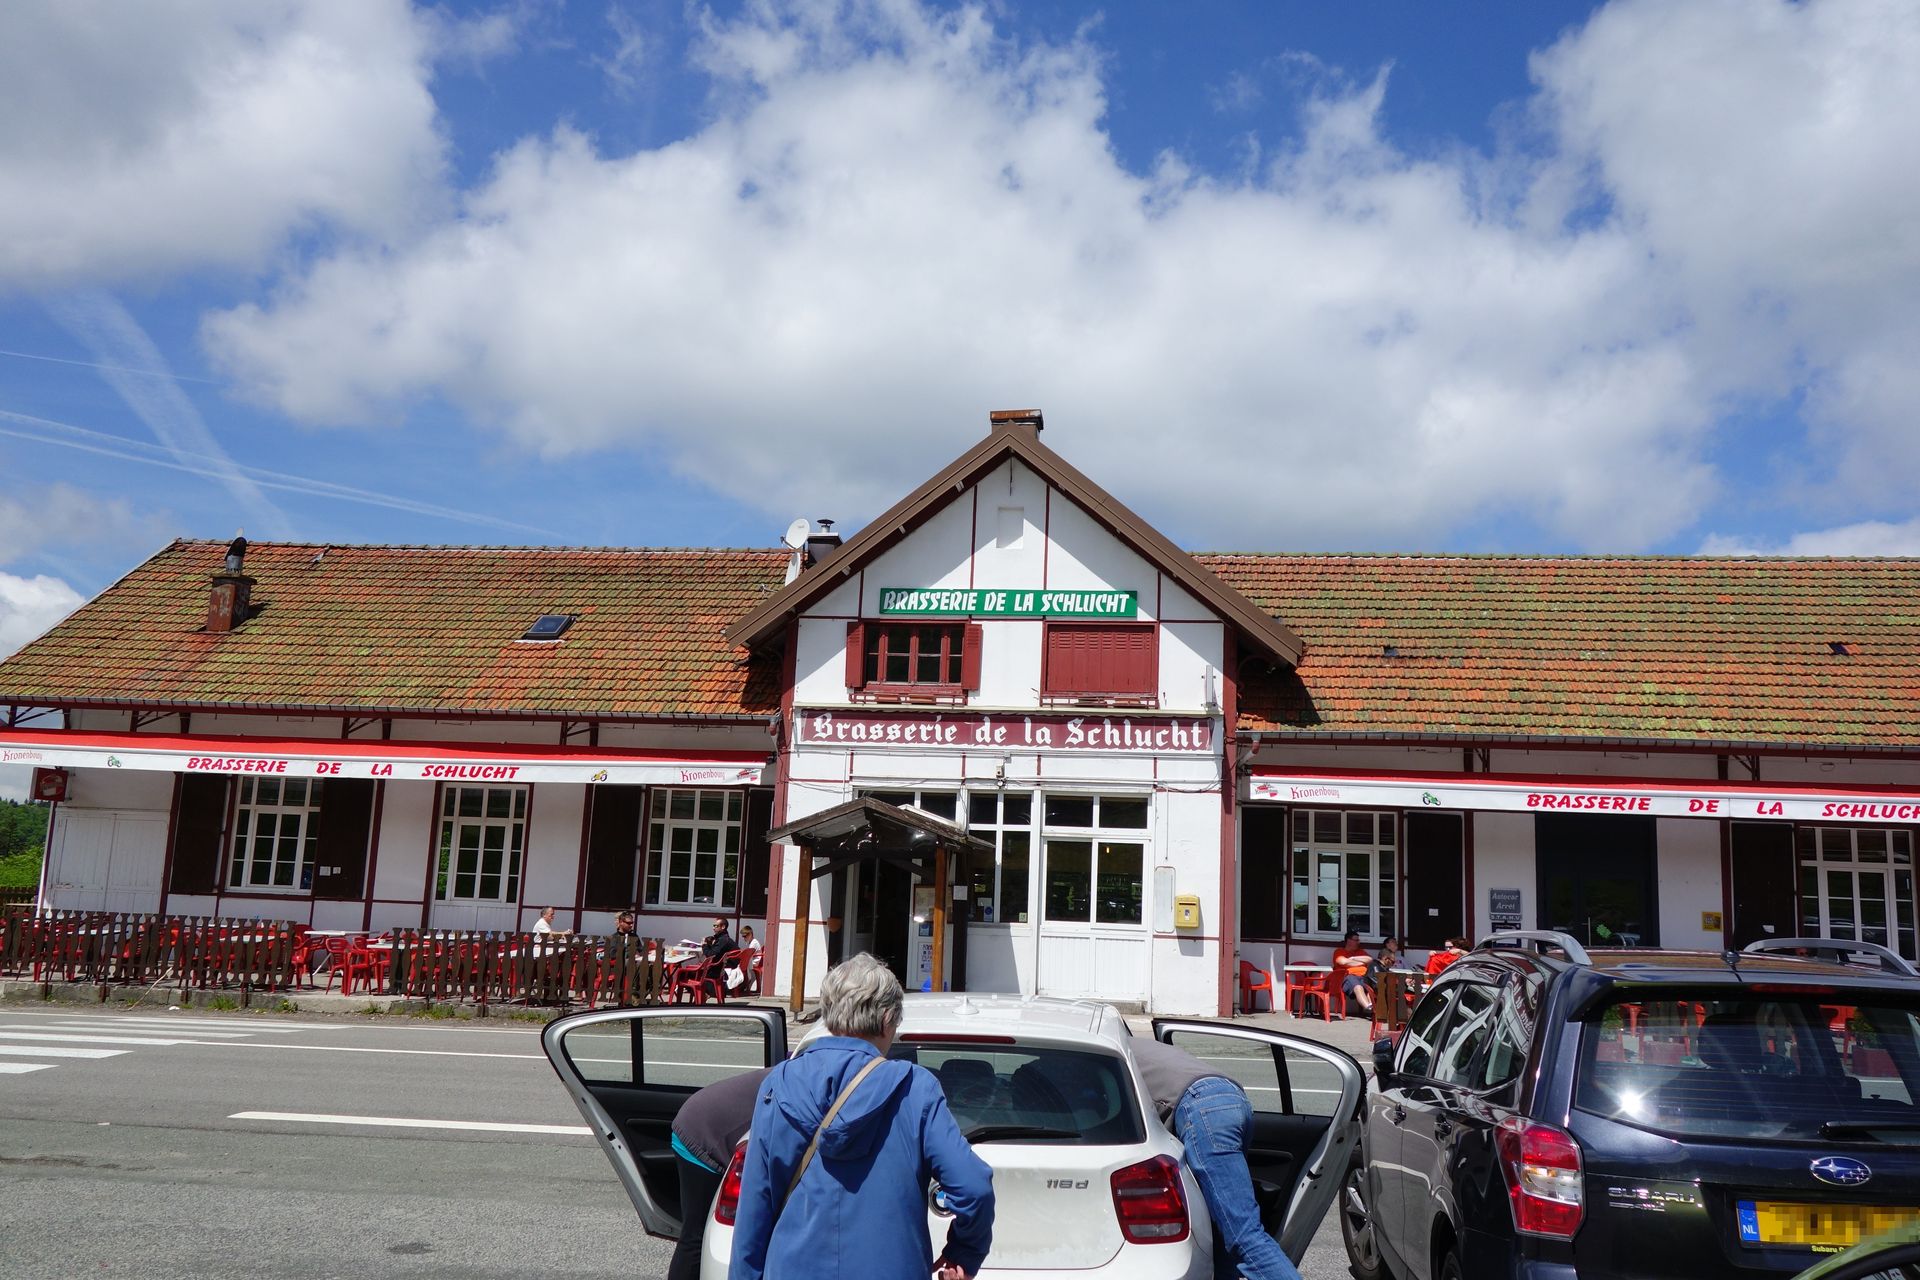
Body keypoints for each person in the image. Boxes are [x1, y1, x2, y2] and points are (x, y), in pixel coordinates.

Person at [729, 953, 993, 1280]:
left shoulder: (779, 1084)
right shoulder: (914, 1088)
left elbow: (754, 1208)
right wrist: (962, 1252)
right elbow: (973, 1187)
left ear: (830, 1014)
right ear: (887, 1018)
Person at [1131, 1035, 1303, 1280]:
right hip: (1232, 1099)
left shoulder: (1108, 1047)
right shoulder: (1137, 1044)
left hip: (1201, 1108)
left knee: (1244, 1236)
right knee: (1221, 1234)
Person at [667, 1064, 774, 1280]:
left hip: (699, 1115)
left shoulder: (800, 1067)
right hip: (701, 1134)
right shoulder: (803, 1087)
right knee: (696, 1237)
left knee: (694, 1234)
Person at [1331, 930, 1374, 1013]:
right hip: (1349, 977)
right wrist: (1362, 962)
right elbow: (1343, 962)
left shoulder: (1361, 952)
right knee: (1358, 986)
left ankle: (1374, 1010)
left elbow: (1370, 959)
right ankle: (1369, 1007)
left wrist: (1353, 958)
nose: (1358, 942)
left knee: (1371, 989)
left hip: (1365, 976)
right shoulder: (1339, 951)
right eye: (1356, 940)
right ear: (1348, 941)